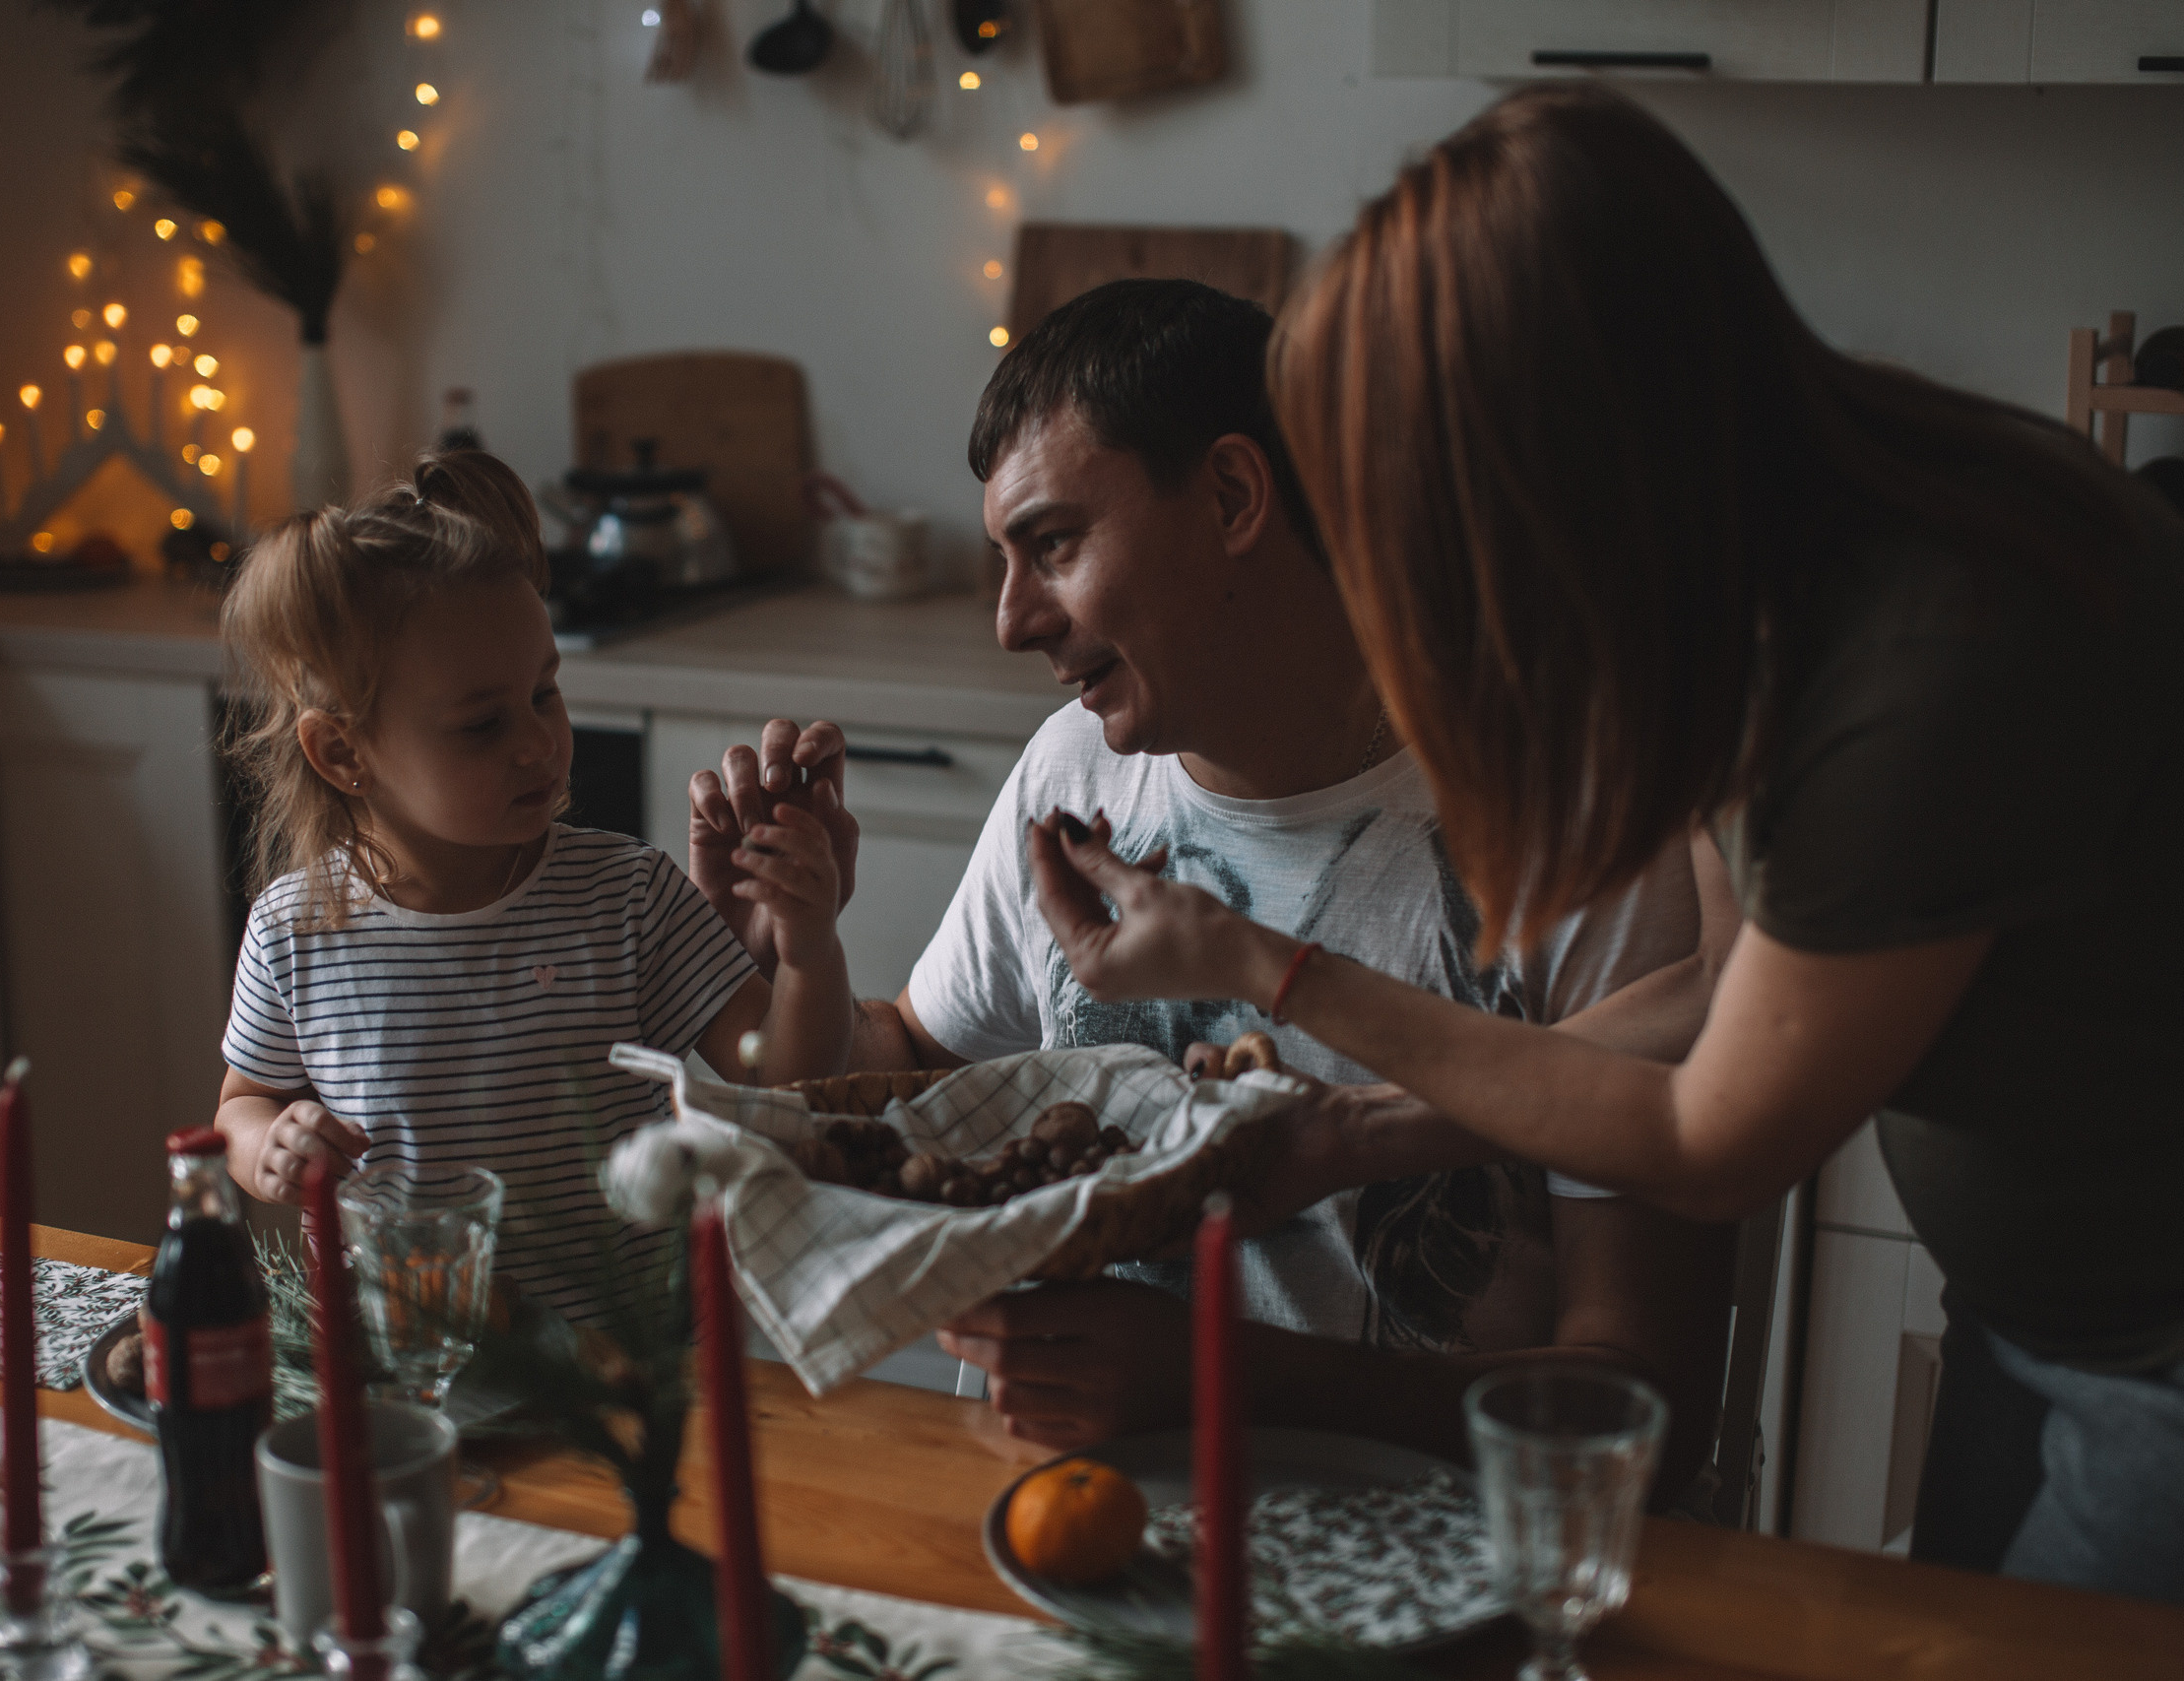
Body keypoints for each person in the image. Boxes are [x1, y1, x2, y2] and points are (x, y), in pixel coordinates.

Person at [1029, 88, 2184, 1601]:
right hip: (2042, 1300)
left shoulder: (1934, 653)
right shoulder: (1769, 562)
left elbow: (1717, 1135)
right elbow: (1717, 982)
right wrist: (1366, 1131)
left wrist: (1270, 966)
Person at [689, 281, 1739, 1492]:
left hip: (1422, 1599)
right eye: (1002, 560)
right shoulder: (1073, 774)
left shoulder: (1581, 829)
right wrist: (793, 952)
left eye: (1055, 543)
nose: (1010, 620)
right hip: (1066, 1542)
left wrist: (1222, 1378)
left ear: (1235, 496)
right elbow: (916, 1083)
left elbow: (1641, 1406)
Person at [211, 452, 851, 1322]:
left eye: (545, 693)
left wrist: (808, 948)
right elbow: (243, 1105)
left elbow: (782, 1082)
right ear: (344, 754)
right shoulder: (294, 929)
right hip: (405, 1366)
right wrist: (266, 1149)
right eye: (482, 724)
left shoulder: (628, 897)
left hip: (620, 1370)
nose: (539, 744)